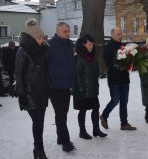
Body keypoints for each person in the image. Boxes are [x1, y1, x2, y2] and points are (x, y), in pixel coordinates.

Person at [15, 18, 49, 159]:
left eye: (43, 38)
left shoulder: (42, 50)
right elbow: (18, 73)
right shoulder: (23, 51)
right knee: (38, 122)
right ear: (33, 38)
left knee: (39, 122)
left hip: (42, 92)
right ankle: (39, 151)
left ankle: (37, 150)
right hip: (29, 93)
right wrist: (21, 94)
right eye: (40, 38)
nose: (42, 40)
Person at [100, 27, 136, 131]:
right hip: (114, 79)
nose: (120, 36)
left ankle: (124, 123)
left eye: (121, 34)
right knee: (115, 100)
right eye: (118, 34)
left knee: (124, 101)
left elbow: (129, 60)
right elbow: (107, 62)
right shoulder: (107, 47)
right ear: (112, 35)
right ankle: (104, 116)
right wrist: (118, 63)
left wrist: (130, 62)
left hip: (124, 78)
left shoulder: (124, 46)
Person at [47, 22, 76, 152]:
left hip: (66, 85)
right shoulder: (49, 45)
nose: (68, 33)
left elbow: (71, 65)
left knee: (63, 114)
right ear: (57, 31)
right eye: (65, 31)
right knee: (60, 114)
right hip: (54, 86)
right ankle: (65, 141)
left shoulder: (70, 45)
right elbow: (44, 66)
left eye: (68, 30)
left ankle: (60, 137)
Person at [72, 34, 107, 139]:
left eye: (93, 44)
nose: (92, 46)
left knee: (96, 108)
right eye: (90, 44)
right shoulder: (77, 58)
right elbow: (77, 76)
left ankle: (96, 129)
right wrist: (82, 91)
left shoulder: (92, 57)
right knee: (82, 110)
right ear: (83, 45)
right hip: (81, 90)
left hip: (92, 89)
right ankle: (82, 131)